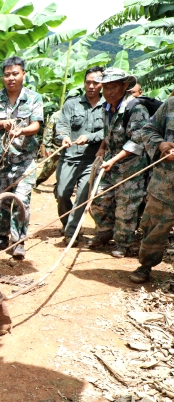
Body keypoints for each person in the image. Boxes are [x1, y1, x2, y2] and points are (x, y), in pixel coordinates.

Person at [87, 68, 150, 258]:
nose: (109, 92)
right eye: (105, 87)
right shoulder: (108, 108)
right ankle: (104, 232)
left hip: (132, 167)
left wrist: (113, 159)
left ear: (125, 86)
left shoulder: (136, 109)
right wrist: (103, 147)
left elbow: (137, 140)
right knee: (99, 198)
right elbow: (110, 131)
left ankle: (123, 243)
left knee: (126, 206)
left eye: (114, 87)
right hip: (111, 163)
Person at [0, 56, 44, 259]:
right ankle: (2, 236)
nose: (11, 78)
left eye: (15, 74)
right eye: (7, 75)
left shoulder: (34, 98)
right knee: (2, 201)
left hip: (25, 160)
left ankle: (19, 241)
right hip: (0, 161)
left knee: (21, 200)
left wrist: (21, 131)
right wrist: (3, 124)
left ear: (23, 75)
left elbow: (36, 125)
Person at [54, 66, 105, 246]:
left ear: (102, 84)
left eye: (95, 82)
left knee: (82, 197)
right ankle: (67, 223)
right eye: (88, 82)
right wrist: (64, 137)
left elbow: (109, 131)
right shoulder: (71, 103)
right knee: (61, 193)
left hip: (91, 160)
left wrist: (90, 137)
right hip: (69, 157)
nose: (91, 86)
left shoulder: (108, 107)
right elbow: (62, 125)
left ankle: (71, 232)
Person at [128, 98, 174, 283]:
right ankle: (146, 265)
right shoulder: (171, 104)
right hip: (164, 183)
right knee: (153, 226)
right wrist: (161, 145)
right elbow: (148, 130)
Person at [35, 110, 60, 187]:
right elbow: (48, 131)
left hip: (71, 150)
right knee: (48, 169)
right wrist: (47, 147)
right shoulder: (57, 115)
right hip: (56, 148)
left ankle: (60, 186)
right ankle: (37, 182)